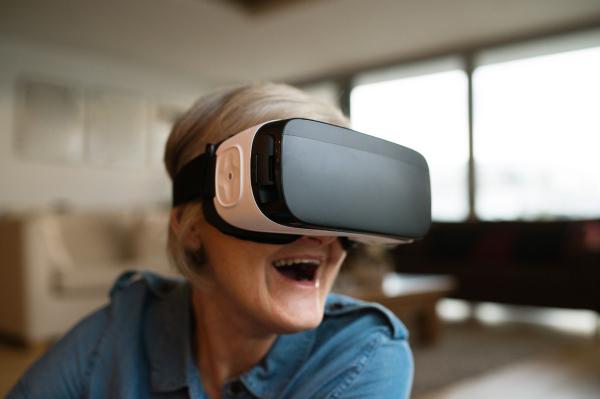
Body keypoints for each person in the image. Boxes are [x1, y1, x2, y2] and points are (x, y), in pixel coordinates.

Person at [7, 83, 413, 399]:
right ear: (192, 227)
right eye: (282, 196)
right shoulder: (121, 330)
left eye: (336, 205)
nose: (322, 236)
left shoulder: (364, 355)